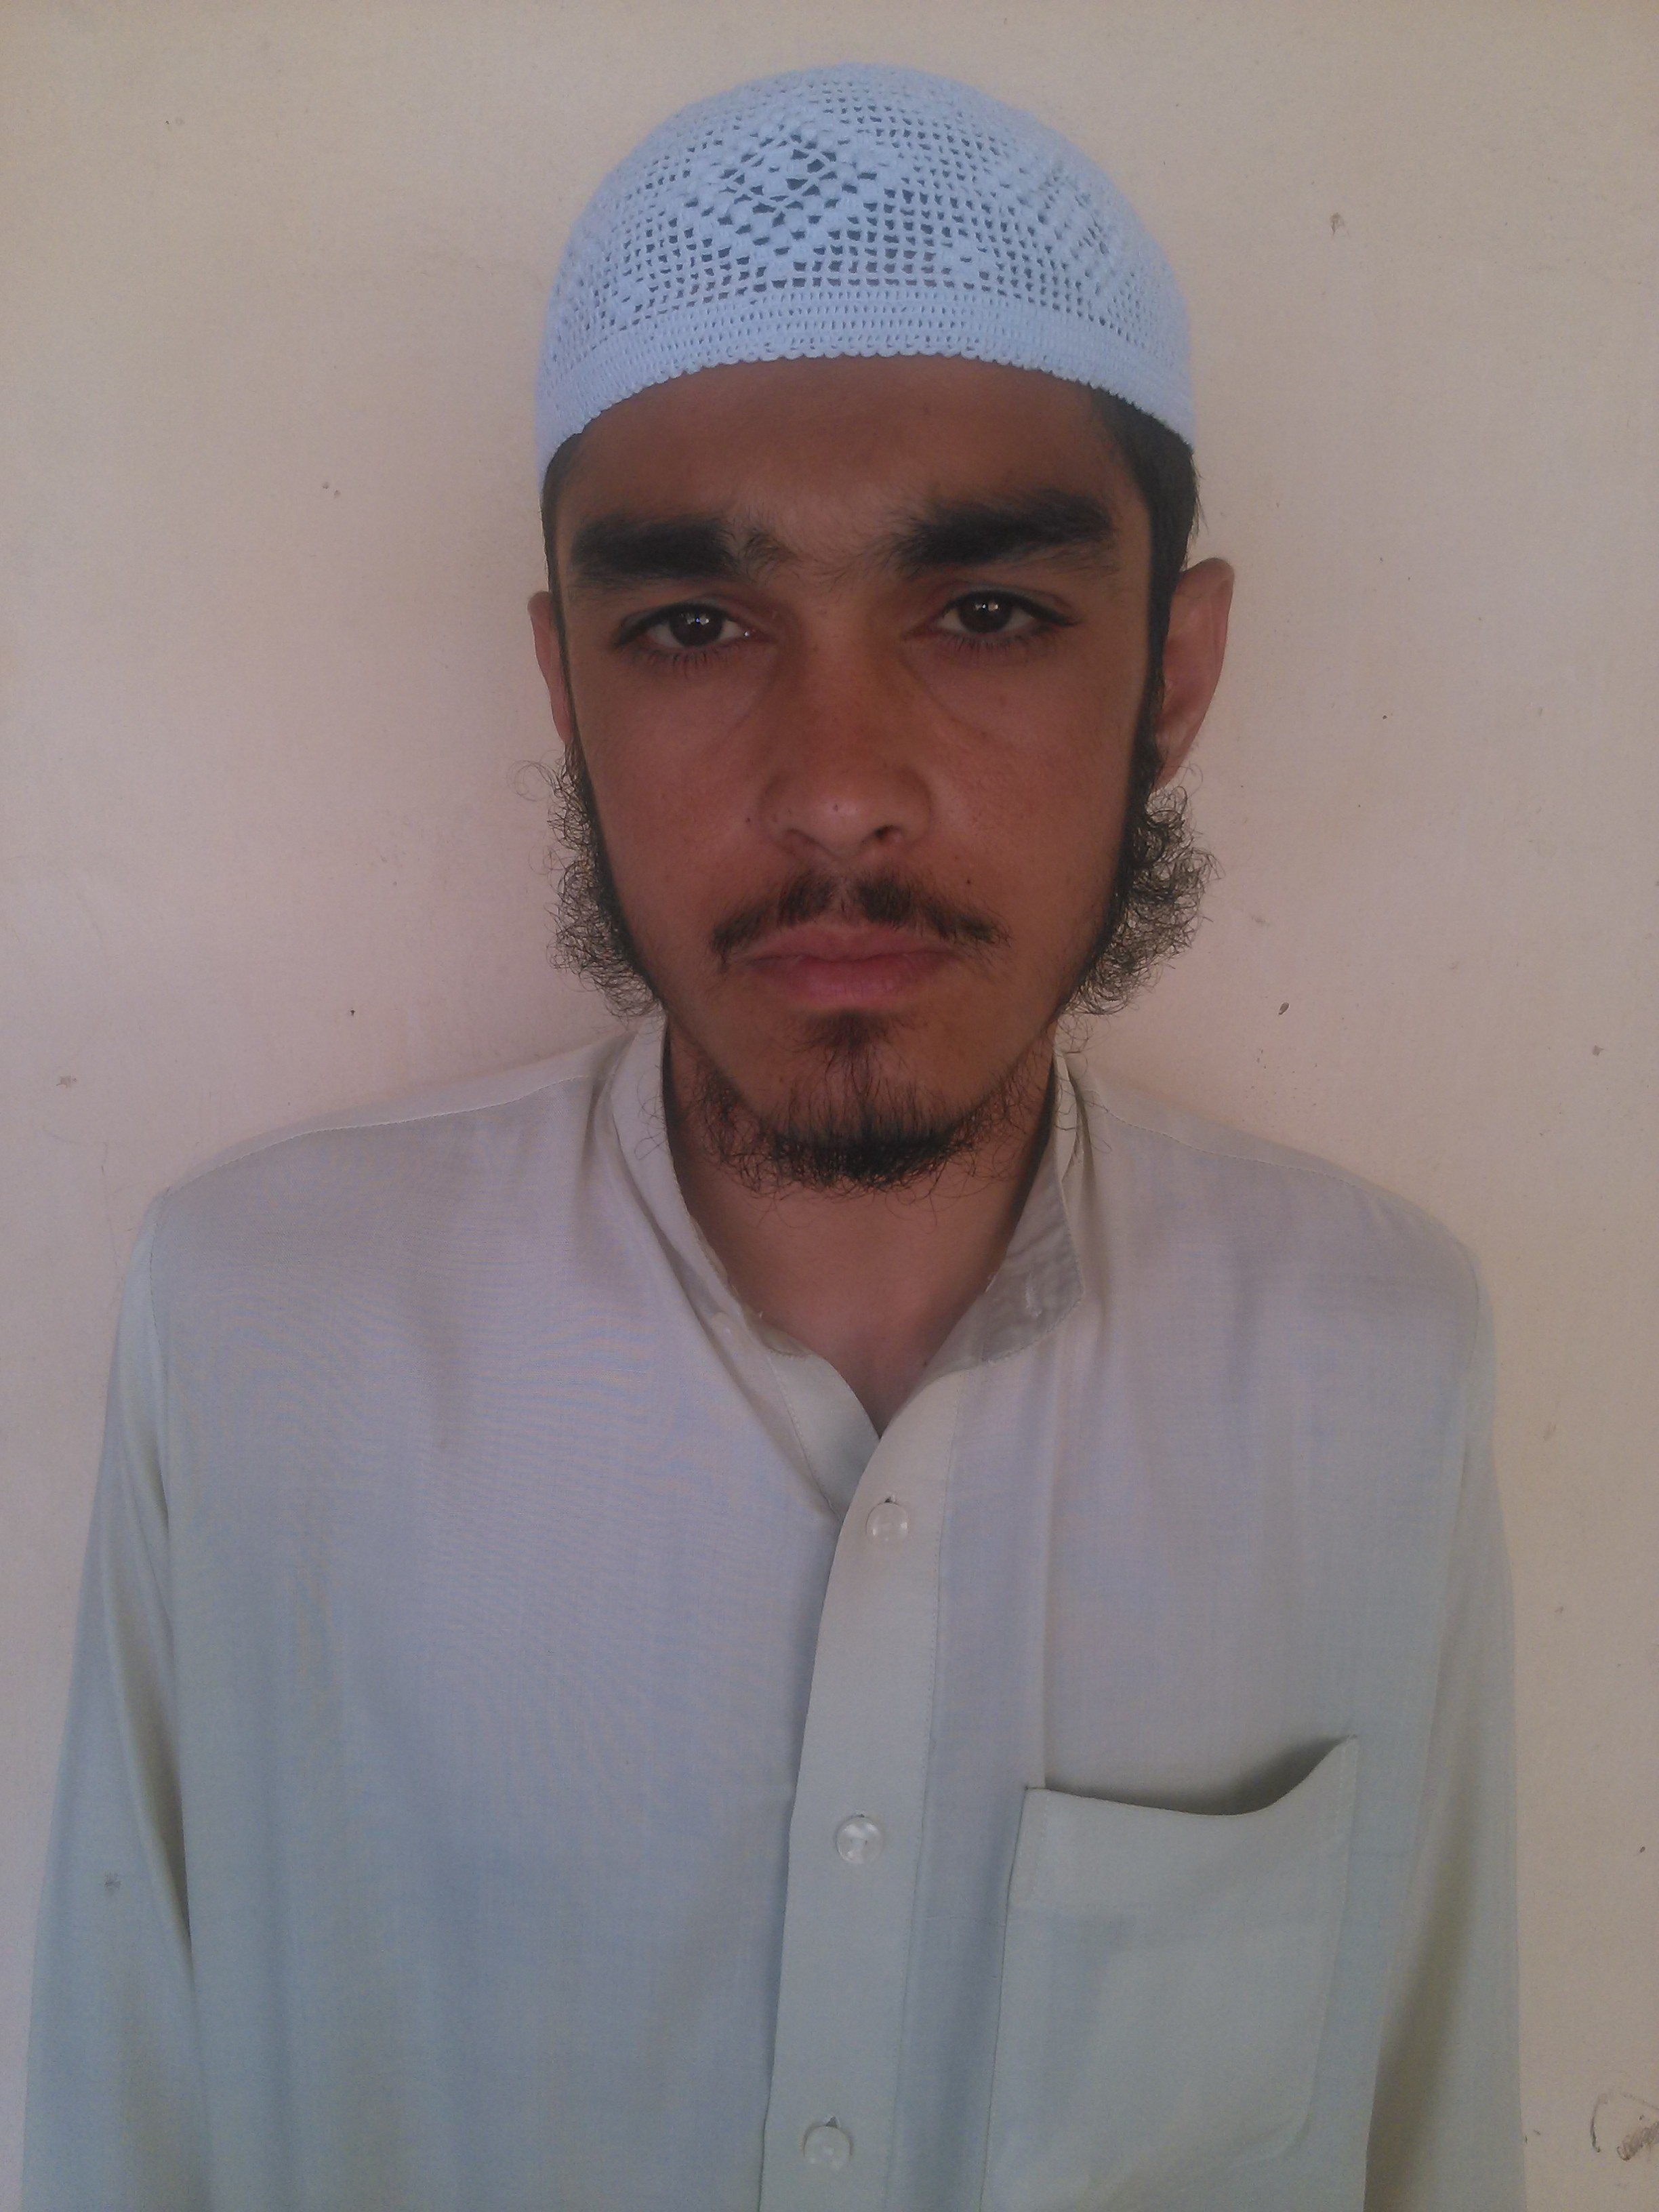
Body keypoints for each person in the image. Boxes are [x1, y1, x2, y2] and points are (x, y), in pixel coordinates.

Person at [24, 63, 1521, 2212]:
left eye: (987, 612)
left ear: (1176, 675)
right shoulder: (266, 1334)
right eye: (695, 627)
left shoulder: (1368, 1358)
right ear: (566, 687)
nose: (837, 788)